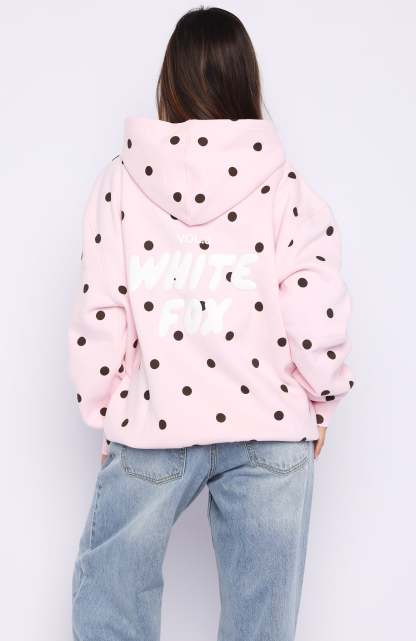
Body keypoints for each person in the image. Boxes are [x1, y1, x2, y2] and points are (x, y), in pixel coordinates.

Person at [69, 7, 353, 641]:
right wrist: (322, 397)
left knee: (111, 598)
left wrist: (104, 406)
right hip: (269, 424)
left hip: (154, 420)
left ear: (169, 82)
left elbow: (101, 309)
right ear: (246, 81)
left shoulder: (120, 184)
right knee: (261, 623)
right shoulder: (286, 189)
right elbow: (316, 307)